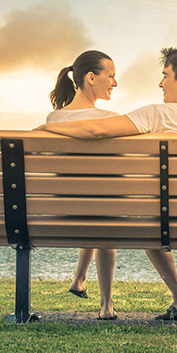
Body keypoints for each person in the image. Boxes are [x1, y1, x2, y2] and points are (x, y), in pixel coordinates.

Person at [37, 47, 177, 321]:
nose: (160, 83)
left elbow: (96, 130)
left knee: (151, 227)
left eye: (165, 76)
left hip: (167, 222)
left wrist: (47, 128)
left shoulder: (156, 114)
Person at [45, 50, 121, 321]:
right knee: (102, 207)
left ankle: (79, 279)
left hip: (61, 213)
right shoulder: (110, 119)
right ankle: (106, 304)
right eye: (110, 76)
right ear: (91, 78)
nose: (115, 82)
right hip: (102, 211)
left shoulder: (53, 120)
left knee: (92, 202)